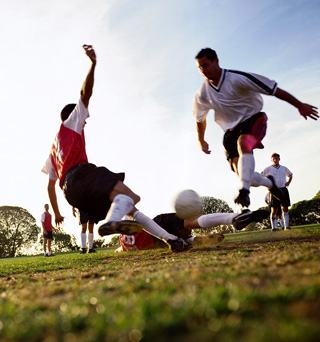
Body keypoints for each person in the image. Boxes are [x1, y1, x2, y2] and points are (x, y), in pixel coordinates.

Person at [41, 45, 188, 253]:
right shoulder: (72, 121)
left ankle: (170, 240)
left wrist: (57, 212)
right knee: (132, 197)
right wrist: (93, 65)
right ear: (73, 115)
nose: (84, 123)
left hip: (71, 193)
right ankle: (109, 223)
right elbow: (85, 93)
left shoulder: (52, 150)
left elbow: (50, 187)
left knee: (129, 207)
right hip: (81, 175)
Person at [193, 48, 318, 208]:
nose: (203, 71)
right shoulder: (202, 93)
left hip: (254, 120)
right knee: (246, 176)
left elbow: (273, 90)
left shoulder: (237, 78)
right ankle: (270, 184)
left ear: (216, 61)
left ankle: (244, 191)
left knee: (243, 143)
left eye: (205, 65)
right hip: (230, 132)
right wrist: (201, 140)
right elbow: (199, 118)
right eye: (200, 68)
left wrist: (299, 105)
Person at [116, 208, 269, 252]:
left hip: (156, 243)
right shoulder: (124, 228)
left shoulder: (125, 246)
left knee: (178, 241)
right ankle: (233, 218)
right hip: (156, 226)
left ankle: (196, 240)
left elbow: (120, 249)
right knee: (192, 220)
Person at [262, 153, 293, 231]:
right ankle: (274, 227)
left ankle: (287, 226)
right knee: (274, 209)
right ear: (271, 160)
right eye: (274, 159)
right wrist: (268, 185)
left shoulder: (283, 168)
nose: (275, 160)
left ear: (279, 159)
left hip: (283, 189)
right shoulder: (268, 169)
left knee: (285, 208)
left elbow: (290, 175)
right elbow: (261, 177)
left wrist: (288, 182)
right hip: (274, 190)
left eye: (277, 158)